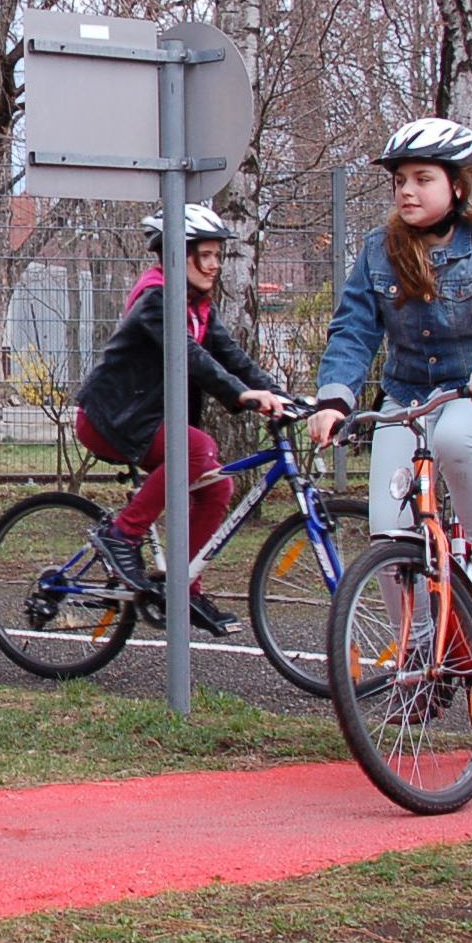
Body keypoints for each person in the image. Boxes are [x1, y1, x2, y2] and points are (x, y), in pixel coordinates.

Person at [306, 117, 472, 618]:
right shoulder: (379, 250)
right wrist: (333, 400)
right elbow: (353, 330)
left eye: (422, 178)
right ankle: (414, 661)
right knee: (388, 534)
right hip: (408, 400)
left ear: (456, 186)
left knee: (456, 439)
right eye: (399, 181)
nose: (407, 191)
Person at [73, 204, 291, 636]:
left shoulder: (199, 307)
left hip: (148, 421)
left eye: (216, 256)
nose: (212, 266)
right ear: (175, 256)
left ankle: (183, 582)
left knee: (218, 483)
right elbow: (191, 357)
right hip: (112, 418)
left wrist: (280, 394)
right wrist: (240, 394)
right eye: (202, 256)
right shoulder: (156, 300)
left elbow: (231, 357)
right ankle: (123, 535)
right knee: (198, 450)